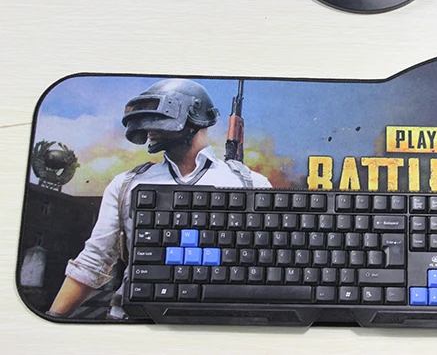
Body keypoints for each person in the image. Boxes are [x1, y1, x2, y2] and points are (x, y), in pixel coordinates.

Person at [47, 79, 271, 319]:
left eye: (158, 119)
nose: (149, 130)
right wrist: (51, 321)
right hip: (135, 319)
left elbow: (267, 263)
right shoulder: (126, 185)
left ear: (195, 116)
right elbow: (93, 262)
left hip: (220, 321)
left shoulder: (251, 184)